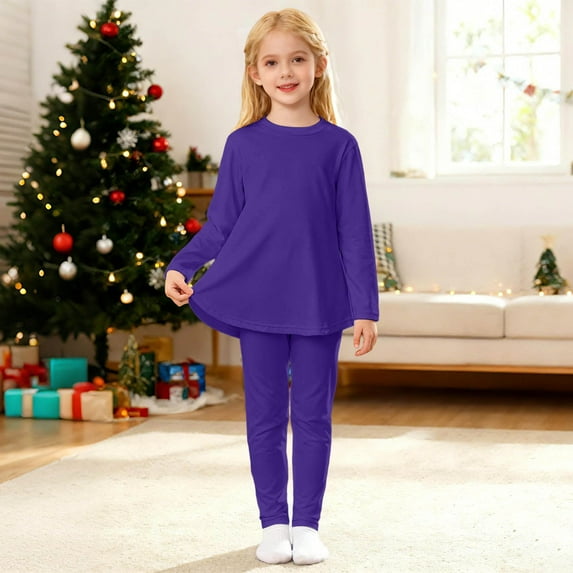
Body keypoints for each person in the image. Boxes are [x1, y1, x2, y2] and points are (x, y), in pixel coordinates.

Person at [165, 8, 379, 566]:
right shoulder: (242, 144)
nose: (286, 71)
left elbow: (355, 233)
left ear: (319, 65)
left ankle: (306, 524)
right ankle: (273, 524)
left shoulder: (340, 146)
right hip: (257, 299)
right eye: (273, 62)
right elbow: (221, 225)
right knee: (263, 417)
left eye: (297, 59)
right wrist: (182, 265)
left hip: (318, 302)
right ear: (255, 73)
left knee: (312, 417)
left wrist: (366, 307)